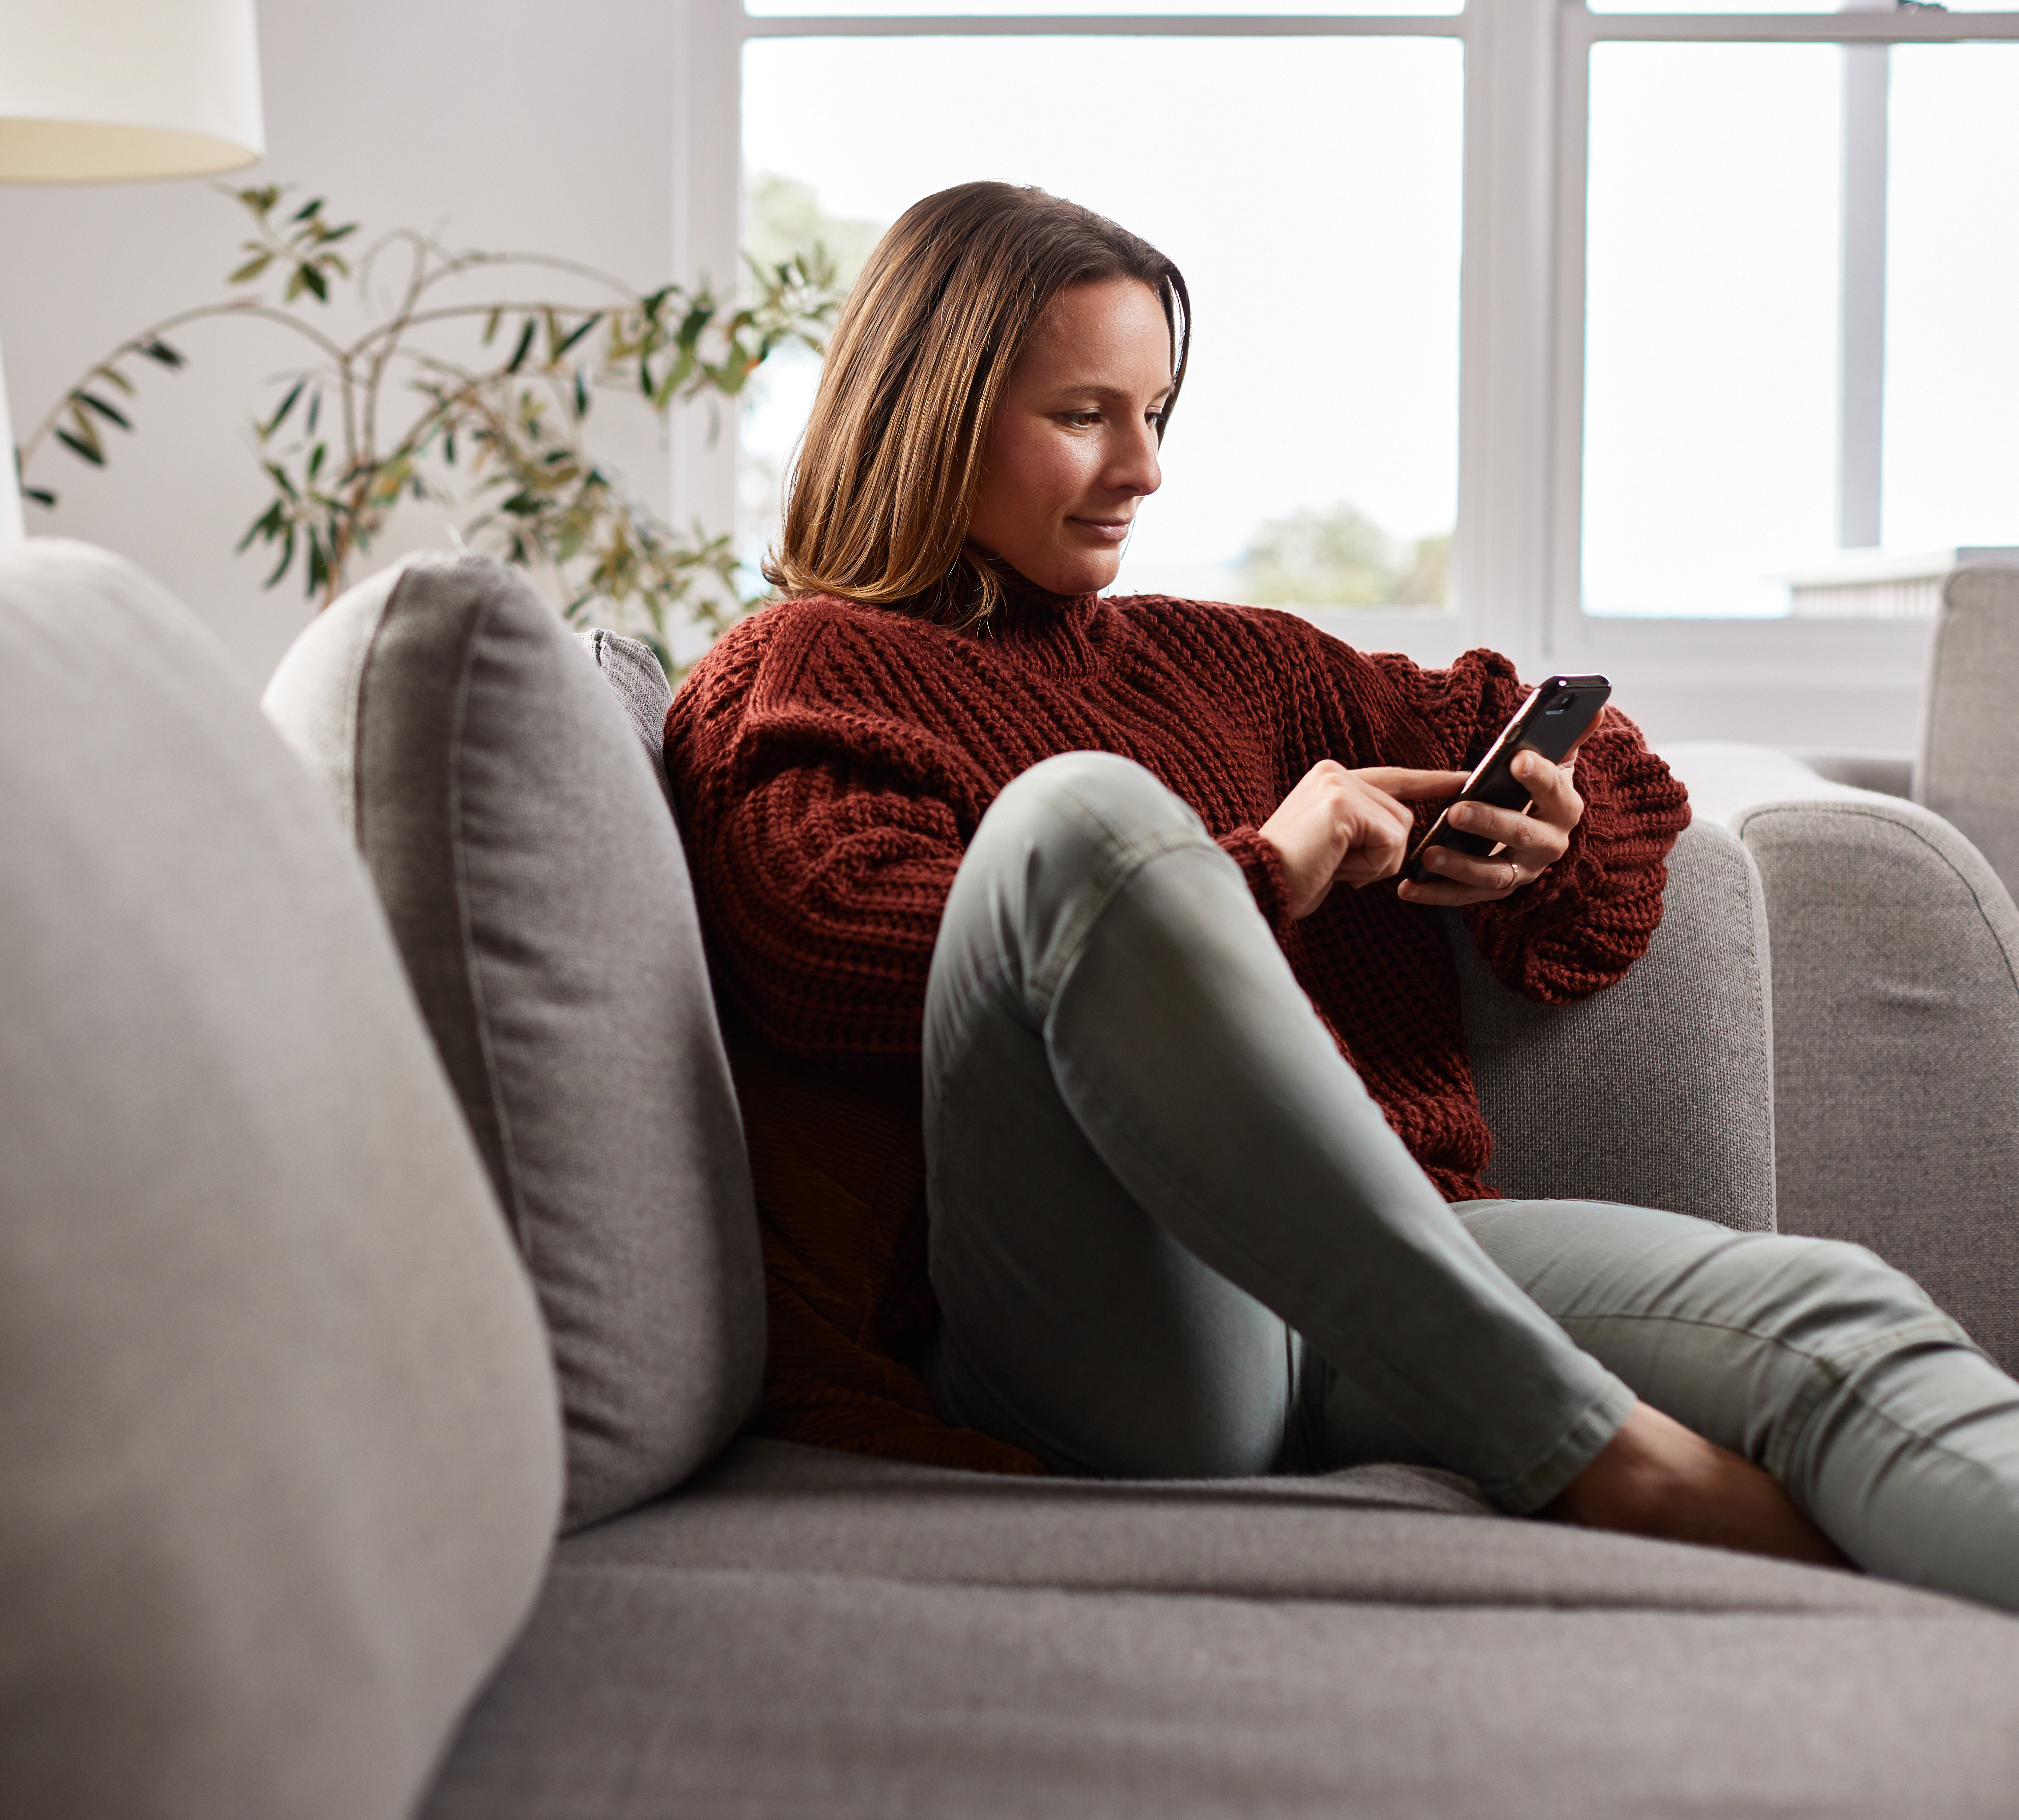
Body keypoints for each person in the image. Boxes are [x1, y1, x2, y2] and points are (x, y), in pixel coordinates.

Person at [665, 179, 2019, 1610]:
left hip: (1391, 1270)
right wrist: (1270, 867)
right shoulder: (796, 667)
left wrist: (1551, 824)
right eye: (1085, 416)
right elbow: (834, 946)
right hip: (1120, 1326)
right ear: (930, 414)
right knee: (1079, 817)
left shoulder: (1237, 665)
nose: (1144, 469)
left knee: (1838, 1319)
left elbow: (1561, 733)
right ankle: (1588, 1450)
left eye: (1158, 413)